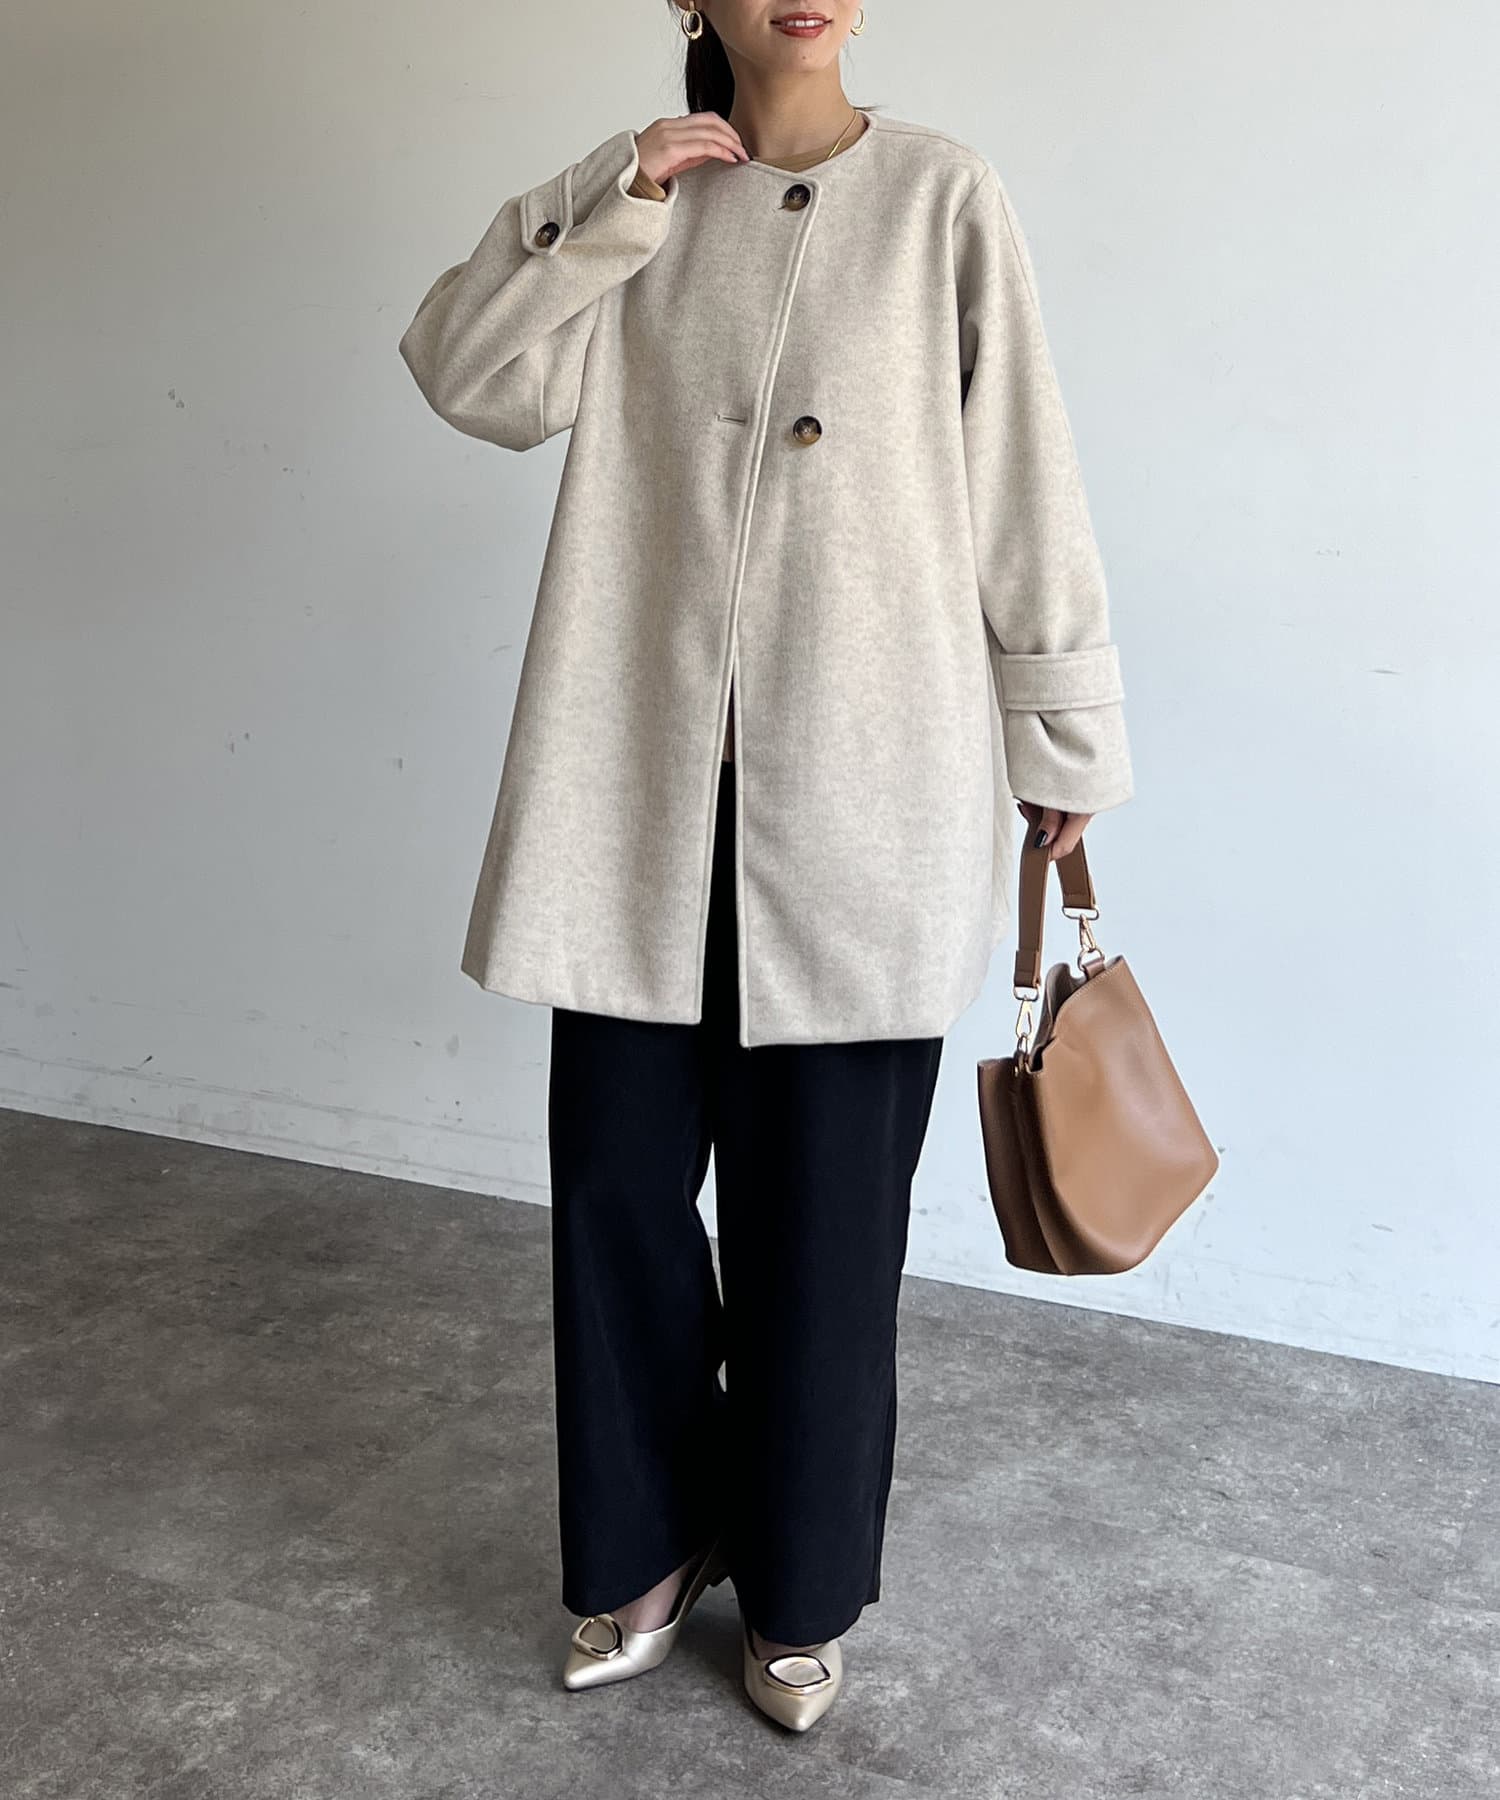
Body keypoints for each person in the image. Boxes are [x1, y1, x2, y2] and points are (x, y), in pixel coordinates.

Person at [397, 0, 1133, 1734]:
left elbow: (1023, 475)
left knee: (825, 1227)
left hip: (869, 795)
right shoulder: (642, 207)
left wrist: (1062, 733)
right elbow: (467, 375)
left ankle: (799, 1586)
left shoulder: (943, 196)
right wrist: (614, 190)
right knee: (619, 1197)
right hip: (641, 796)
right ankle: (650, 1539)